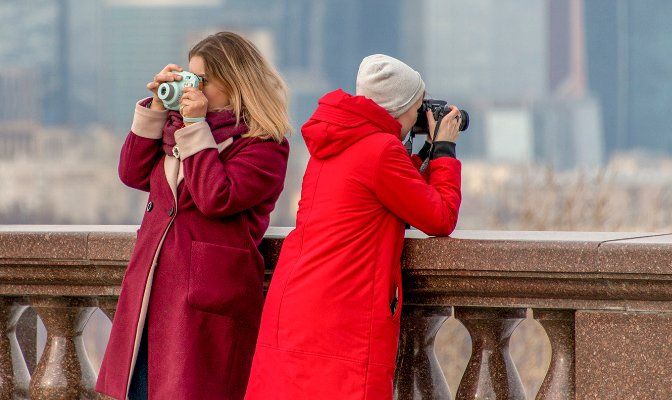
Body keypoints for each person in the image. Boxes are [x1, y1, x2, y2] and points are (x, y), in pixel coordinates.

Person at [244, 54, 462, 400]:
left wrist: (424, 153)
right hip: (344, 311)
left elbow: (388, 196)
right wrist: (445, 151)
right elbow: (439, 217)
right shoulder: (381, 151)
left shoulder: (336, 140)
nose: (422, 116)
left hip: (298, 301)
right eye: (419, 107)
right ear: (402, 106)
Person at [95, 32, 291, 400]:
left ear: (233, 84)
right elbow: (132, 173)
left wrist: (196, 127)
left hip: (205, 299)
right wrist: (155, 108)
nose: (190, 87)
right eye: (188, 77)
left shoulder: (264, 144)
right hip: (153, 290)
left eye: (201, 81)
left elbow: (216, 198)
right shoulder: (177, 132)